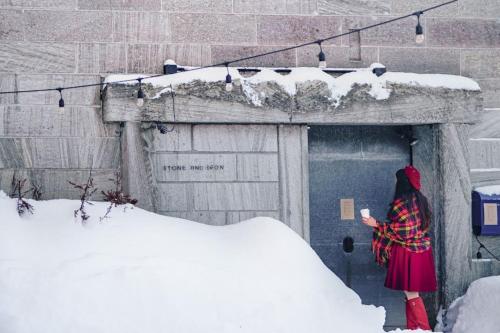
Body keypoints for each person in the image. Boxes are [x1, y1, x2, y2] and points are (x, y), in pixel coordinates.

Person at [361, 165, 437, 330]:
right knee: (409, 292)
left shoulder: (403, 203)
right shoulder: (421, 200)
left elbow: (403, 231)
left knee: (411, 293)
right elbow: (414, 228)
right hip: (421, 251)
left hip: (408, 252)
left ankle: (424, 329)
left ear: (402, 182)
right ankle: (413, 329)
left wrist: (376, 224)